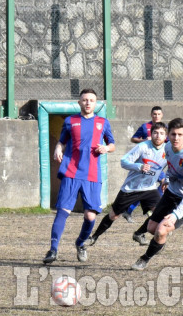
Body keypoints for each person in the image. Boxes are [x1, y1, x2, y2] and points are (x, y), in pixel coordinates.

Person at [43, 89, 115, 264]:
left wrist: (106, 148)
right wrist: (58, 148)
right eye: (85, 100)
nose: (88, 103)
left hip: (92, 175)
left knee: (90, 216)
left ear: (96, 103)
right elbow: (62, 141)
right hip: (72, 172)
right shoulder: (70, 121)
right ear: (79, 102)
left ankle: (80, 243)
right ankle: (53, 249)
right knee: (63, 211)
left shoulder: (103, 122)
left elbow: (112, 144)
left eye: (91, 100)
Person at [132, 118, 183, 270]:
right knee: (152, 228)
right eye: (173, 134)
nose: (176, 138)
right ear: (168, 135)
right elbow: (171, 167)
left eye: (180, 134)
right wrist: (167, 179)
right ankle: (161, 241)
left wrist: (176, 215)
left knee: (160, 230)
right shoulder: (167, 147)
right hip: (173, 191)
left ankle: (144, 259)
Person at [86, 122, 167, 249]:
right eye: (155, 133)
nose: (158, 136)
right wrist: (139, 166)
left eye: (161, 133)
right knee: (113, 215)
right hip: (131, 188)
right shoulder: (143, 146)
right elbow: (124, 161)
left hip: (150, 188)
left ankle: (139, 234)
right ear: (151, 134)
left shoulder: (168, 150)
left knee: (160, 212)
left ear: (165, 136)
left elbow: (167, 168)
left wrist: (164, 180)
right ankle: (94, 237)